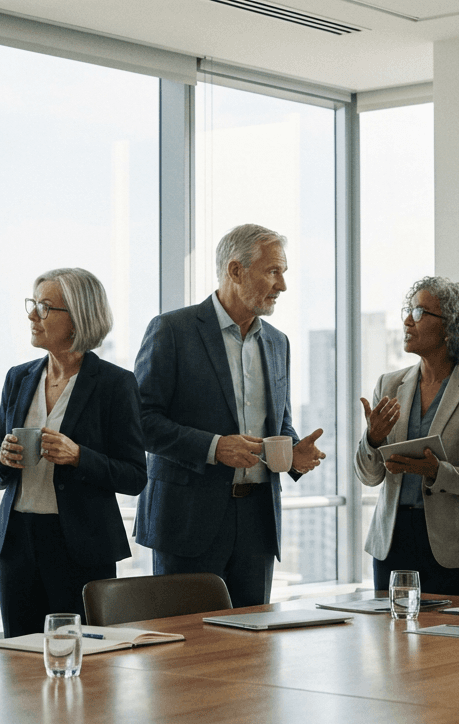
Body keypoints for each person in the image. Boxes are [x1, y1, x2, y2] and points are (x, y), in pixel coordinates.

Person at [133, 223, 326, 608]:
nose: (282, 285)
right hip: (187, 523)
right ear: (236, 270)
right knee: (188, 640)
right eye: (273, 271)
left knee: (254, 640)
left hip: (258, 523)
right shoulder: (172, 330)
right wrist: (214, 447)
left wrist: (293, 454)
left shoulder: (277, 342)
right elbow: (140, 421)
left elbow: (279, 424)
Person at [0, 268, 146, 637]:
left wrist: (78, 456)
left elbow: (136, 476)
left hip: (81, 546)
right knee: (18, 654)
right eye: (33, 304)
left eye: (44, 307)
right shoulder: (18, 378)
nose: (32, 316)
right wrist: (3, 460)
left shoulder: (115, 384)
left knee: (83, 655)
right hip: (17, 542)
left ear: (77, 318)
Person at [355, 276, 459, 598]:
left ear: (452, 326)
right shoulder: (388, 385)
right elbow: (369, 477)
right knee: (394, 632)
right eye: (409, 311)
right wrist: (372, 440)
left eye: (420, 313)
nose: (407, 321)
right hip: (392, 545)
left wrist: (438, 473)